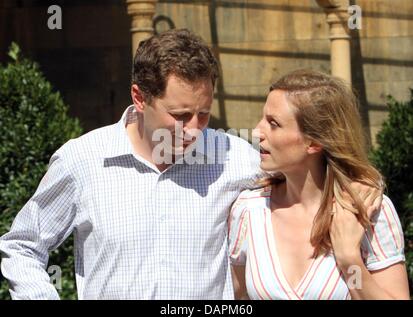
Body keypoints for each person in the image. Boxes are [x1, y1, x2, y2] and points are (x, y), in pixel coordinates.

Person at [0, 29, 380, 300]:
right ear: (140, 97)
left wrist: (359, 185)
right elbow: (22, 246)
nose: (195, 129)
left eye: (204, 113)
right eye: (180, 115)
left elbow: (309, 163)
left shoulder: (237, 158)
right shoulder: (83, 160)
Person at [229, 69, 410, 300]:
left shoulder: (369, 211)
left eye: (273, 123)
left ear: (313, 142)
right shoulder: (249, 211)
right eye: (263, 118)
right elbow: (234, 296)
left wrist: (349, 260)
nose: (257, 131)